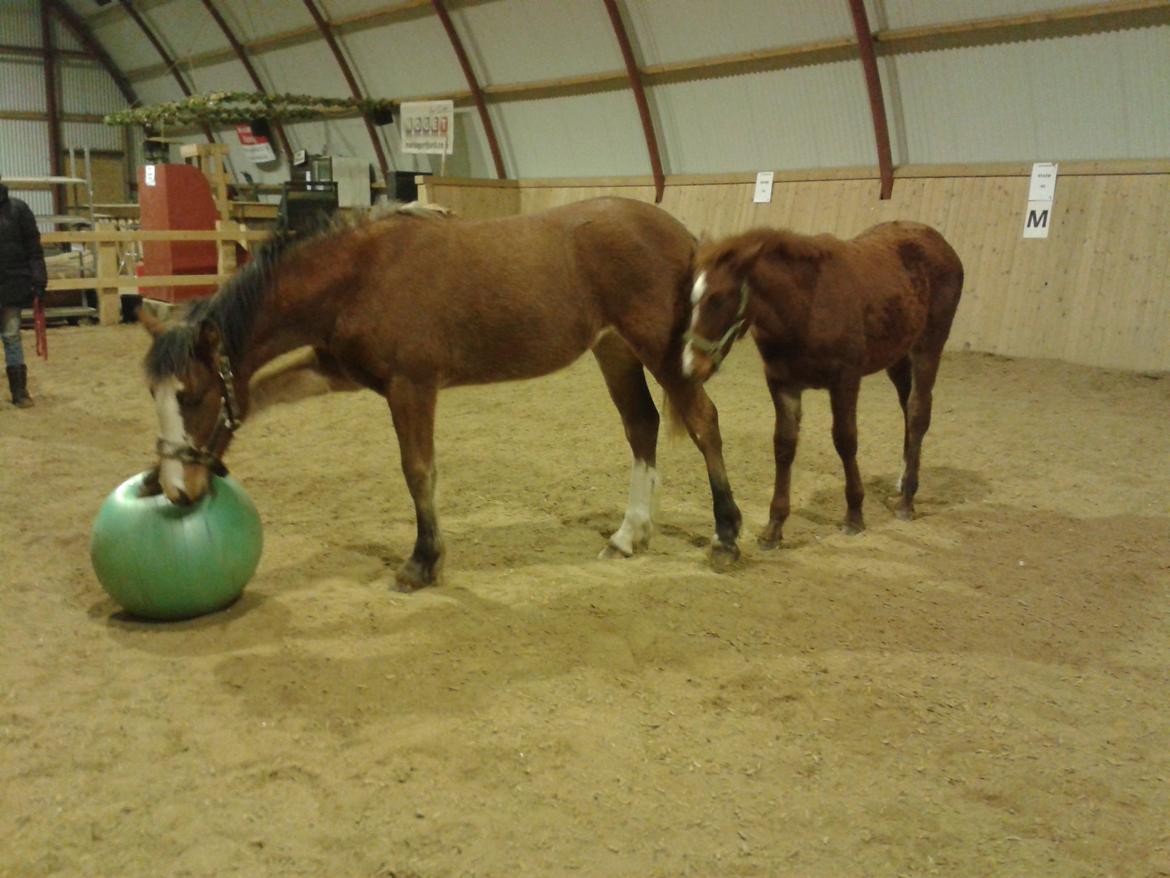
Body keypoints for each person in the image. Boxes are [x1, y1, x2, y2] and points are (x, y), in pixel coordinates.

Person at [0, 175, 47, 408]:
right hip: (13, 283)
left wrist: (39, 280)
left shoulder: (19, 210)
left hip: (12, 285)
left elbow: (34, 250)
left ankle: (19, 392)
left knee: (12, 337)